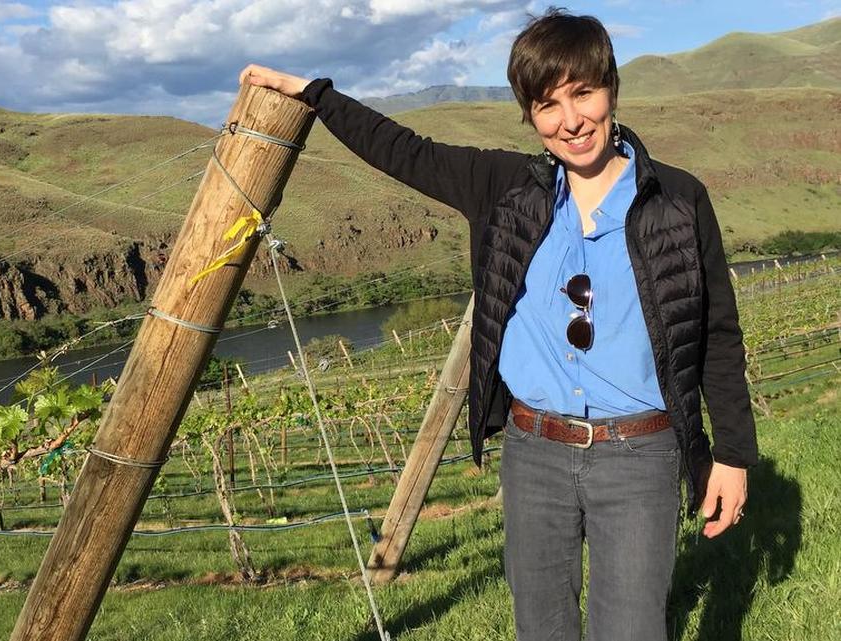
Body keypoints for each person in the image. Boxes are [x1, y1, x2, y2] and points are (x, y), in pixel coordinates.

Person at [240, 7, 758, 641]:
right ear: (529, 116)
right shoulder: (505, 188)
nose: (571, 121)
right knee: (539, 628)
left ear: (612, 87)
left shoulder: (678, 200)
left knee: (632, 630)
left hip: (640, 454)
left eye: (583, 94)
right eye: (547, 106)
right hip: (533, 452)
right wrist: (315, 95)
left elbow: (717, 333)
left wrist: (731, 454)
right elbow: (404, 152)